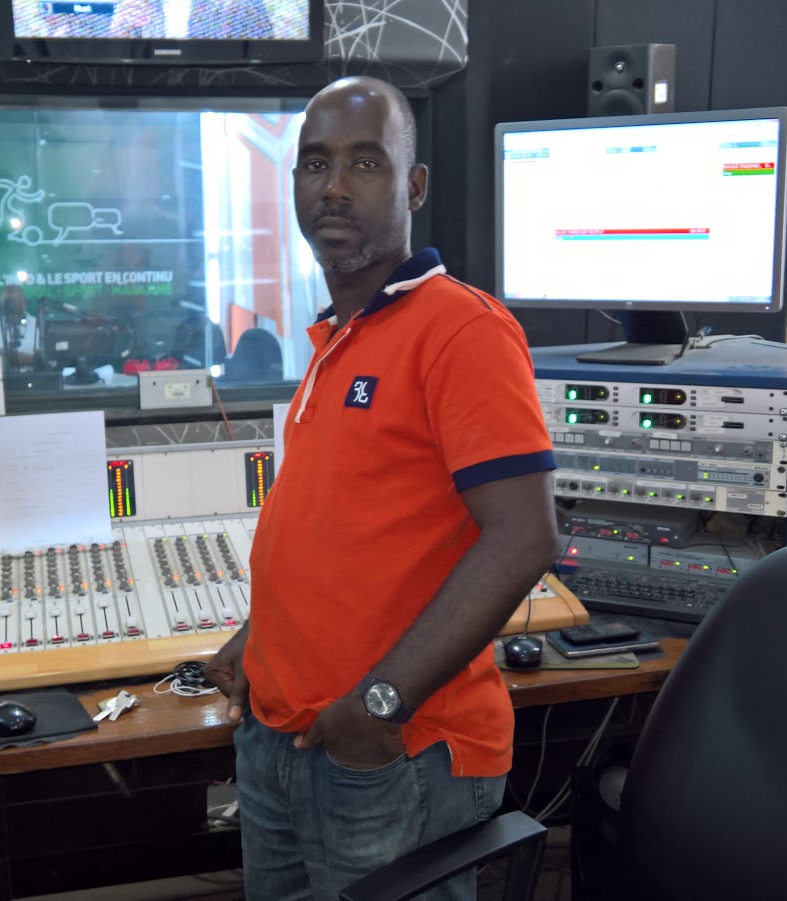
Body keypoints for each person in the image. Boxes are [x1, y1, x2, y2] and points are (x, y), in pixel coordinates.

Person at [205, 76, 559, 901]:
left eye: (364, 163)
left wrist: (379, 704)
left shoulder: (462, 330)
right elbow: (350, 529)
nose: (333, 186)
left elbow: (524, 537)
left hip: (390, 753)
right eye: (314, 163)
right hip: (282, 741)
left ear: (415, 186)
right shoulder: (338, 336)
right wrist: (260, 638)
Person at [0, 285, 37, 368]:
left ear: (23, 301)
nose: (10, 306)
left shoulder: (38, 324)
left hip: (35, 374)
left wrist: (30, 359)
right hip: (1, 374)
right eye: (6, 302)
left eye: (13, 301)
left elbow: (46, 358)